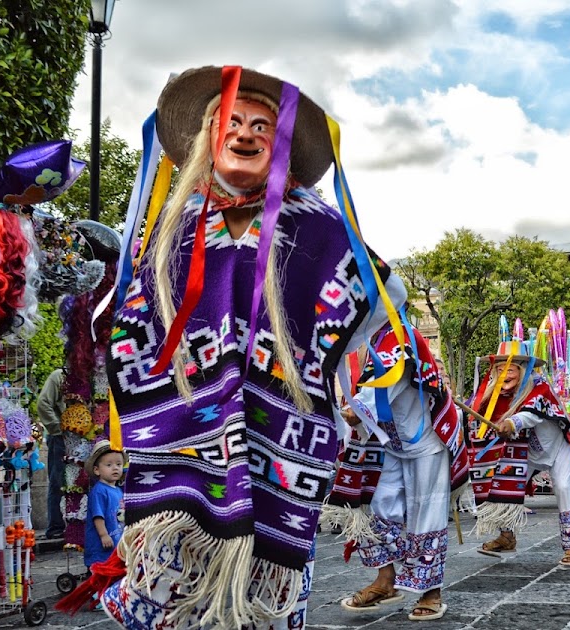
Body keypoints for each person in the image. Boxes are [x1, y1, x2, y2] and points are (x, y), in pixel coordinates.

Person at [76, 66, 408, 629]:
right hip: (184, 450)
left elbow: (384, 293)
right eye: (231, 121)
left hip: (277, 440)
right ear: (209, 135)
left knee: (264, 607)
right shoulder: (172, 228)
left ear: (279, 148)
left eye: (262, 125)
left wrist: (303, 351)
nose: (246, 133)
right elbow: (131, 324)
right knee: (178, 599)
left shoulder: (317, 227)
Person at [329, 322, 466, 622]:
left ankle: (431, 593)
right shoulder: (374, 339)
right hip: (393, 443)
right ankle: (386, 581)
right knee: (378, 507)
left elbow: (386, 385)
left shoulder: (400, 337)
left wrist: (355, 410)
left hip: (426, 443)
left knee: (424, 514)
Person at [470, 330, 570, 567]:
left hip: (557, 449)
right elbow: (477, 414)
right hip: (525, 452)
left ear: (523, 370)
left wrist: (510, 423)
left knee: (564, 487)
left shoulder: (540, 388)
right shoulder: (495, 395)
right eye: (498, 369)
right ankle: (507, 537)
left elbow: (530, 414)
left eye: (510, 368)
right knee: (500, 483)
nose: (503, 374)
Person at [84, 442, 125, 580]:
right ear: (97, 470)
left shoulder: (118, 490)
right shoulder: (99, 491)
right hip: (101, 545)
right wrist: (103, 535)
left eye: (118, 464)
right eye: (109, 465)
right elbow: (98, 516)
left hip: (115, 541)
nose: (115, 468)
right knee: (100, 572)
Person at [37, 367, 67, 539]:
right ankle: (56, 526)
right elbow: (43, 404)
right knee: (58, 481)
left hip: (85, 437)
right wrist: (58, 429)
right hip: (61, 438)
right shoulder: (59, 375)